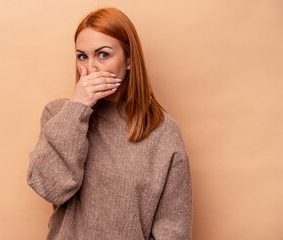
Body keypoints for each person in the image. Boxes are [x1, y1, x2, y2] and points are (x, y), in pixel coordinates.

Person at [27, 7, 193, 240]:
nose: (91, 68)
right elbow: (51, 188)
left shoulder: (163, 131)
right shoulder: (58, 115)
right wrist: (78, 107)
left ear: (129, 60)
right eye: (82, 56)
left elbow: (173, 229)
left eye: (103, 54)